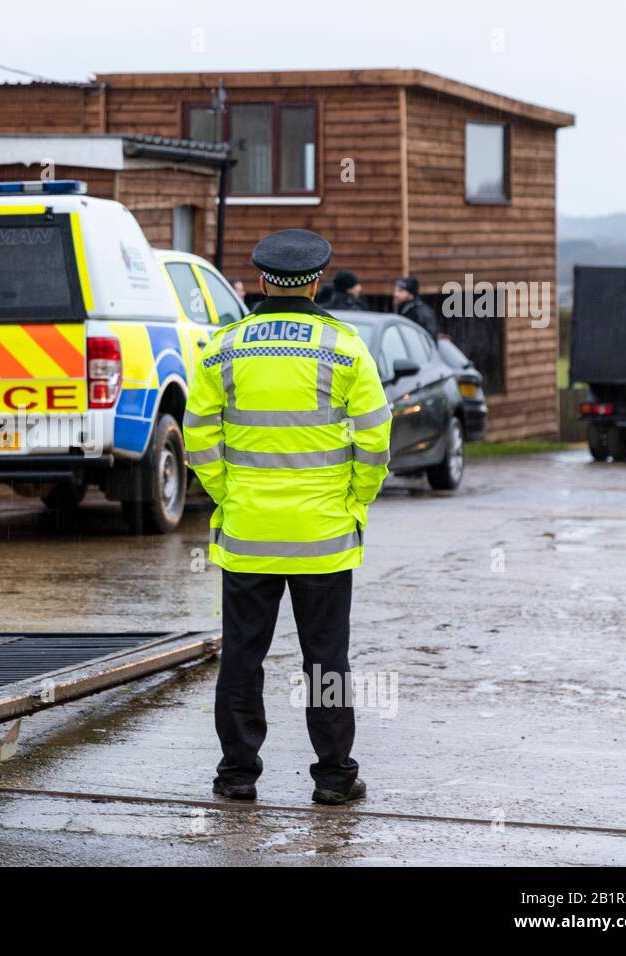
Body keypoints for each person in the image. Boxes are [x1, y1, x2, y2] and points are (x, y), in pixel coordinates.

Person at [183, 228, 392, 806]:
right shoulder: (344, 348)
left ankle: (237, 777)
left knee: (243, 656)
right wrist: (353, 502)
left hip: (249, 534)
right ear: (318, 280)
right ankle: (333, 778)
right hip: (323, 538)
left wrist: (229, 496)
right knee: (326, 660)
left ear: (260, 280)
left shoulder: (223, 348)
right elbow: (376, 443)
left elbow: (199, 438)